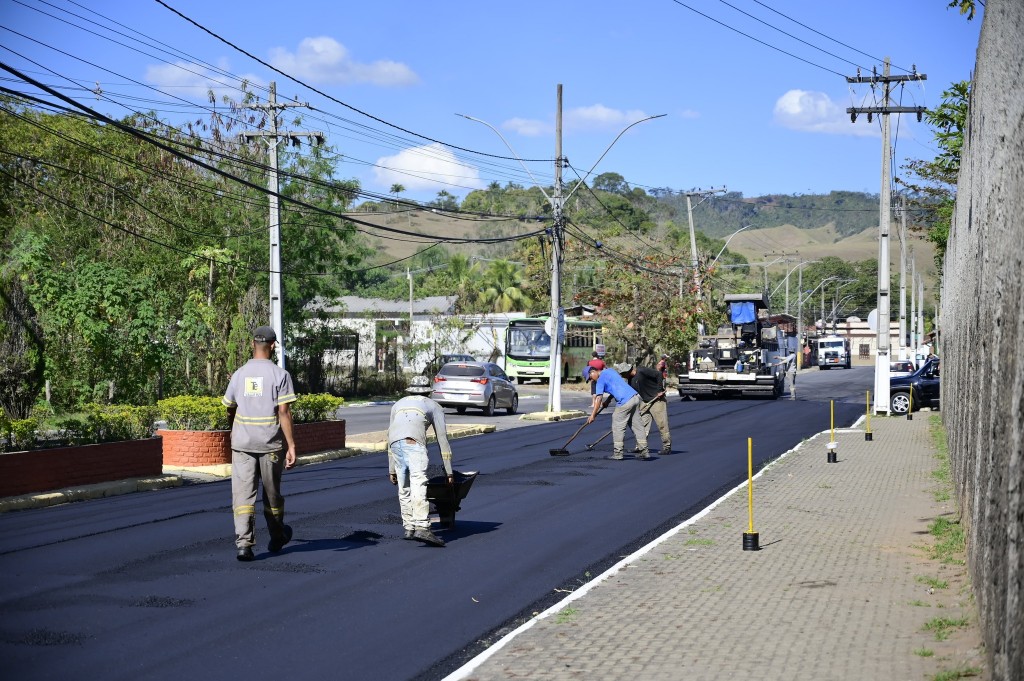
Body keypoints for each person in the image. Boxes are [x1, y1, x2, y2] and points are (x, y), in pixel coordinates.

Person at [222, 325, 297, 562]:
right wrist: (292, 445)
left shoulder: (239, 374)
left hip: (242, 443)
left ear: (252, 344)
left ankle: (244, 545)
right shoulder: (280, 375)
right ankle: (277, 536)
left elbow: (229, 407)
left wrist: (236, 431)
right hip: (270, 444)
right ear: (273, 346)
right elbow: (283, 412)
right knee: (272, 494)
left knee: (243, 496)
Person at [387, 375, 454, 547]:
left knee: (405, 486)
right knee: (418, 483)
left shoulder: (398, 404)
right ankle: (423, 528)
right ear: (428, 392)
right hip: (413, 444)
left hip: (395, 445)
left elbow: (390, 435)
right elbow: (442, 439)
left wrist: (392, 469)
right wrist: (449, 471)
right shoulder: (434, 405)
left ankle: (409, 527)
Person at [584, 364, 651, 461]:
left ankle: (618, 453)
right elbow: (616, 387)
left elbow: (598, 399)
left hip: (625, 401)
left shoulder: (600, 381)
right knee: (637, 426)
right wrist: (607, 401)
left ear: (593, 371)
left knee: (617, 425)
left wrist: (593, 415)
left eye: (590, 378)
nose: (591, 380)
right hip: (635, 397)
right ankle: (645, 451)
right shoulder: (610, 371)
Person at [619, 362, 672, 455]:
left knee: (662, 424)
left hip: (657, 400)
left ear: (627, 371)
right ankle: (640, 446)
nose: (623, 376)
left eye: (623, 374)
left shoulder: (642, 371)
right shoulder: (630, 381)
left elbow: (658, 374)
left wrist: (660, 390)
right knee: (642, 425)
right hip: (645, 402)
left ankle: (667, 447)